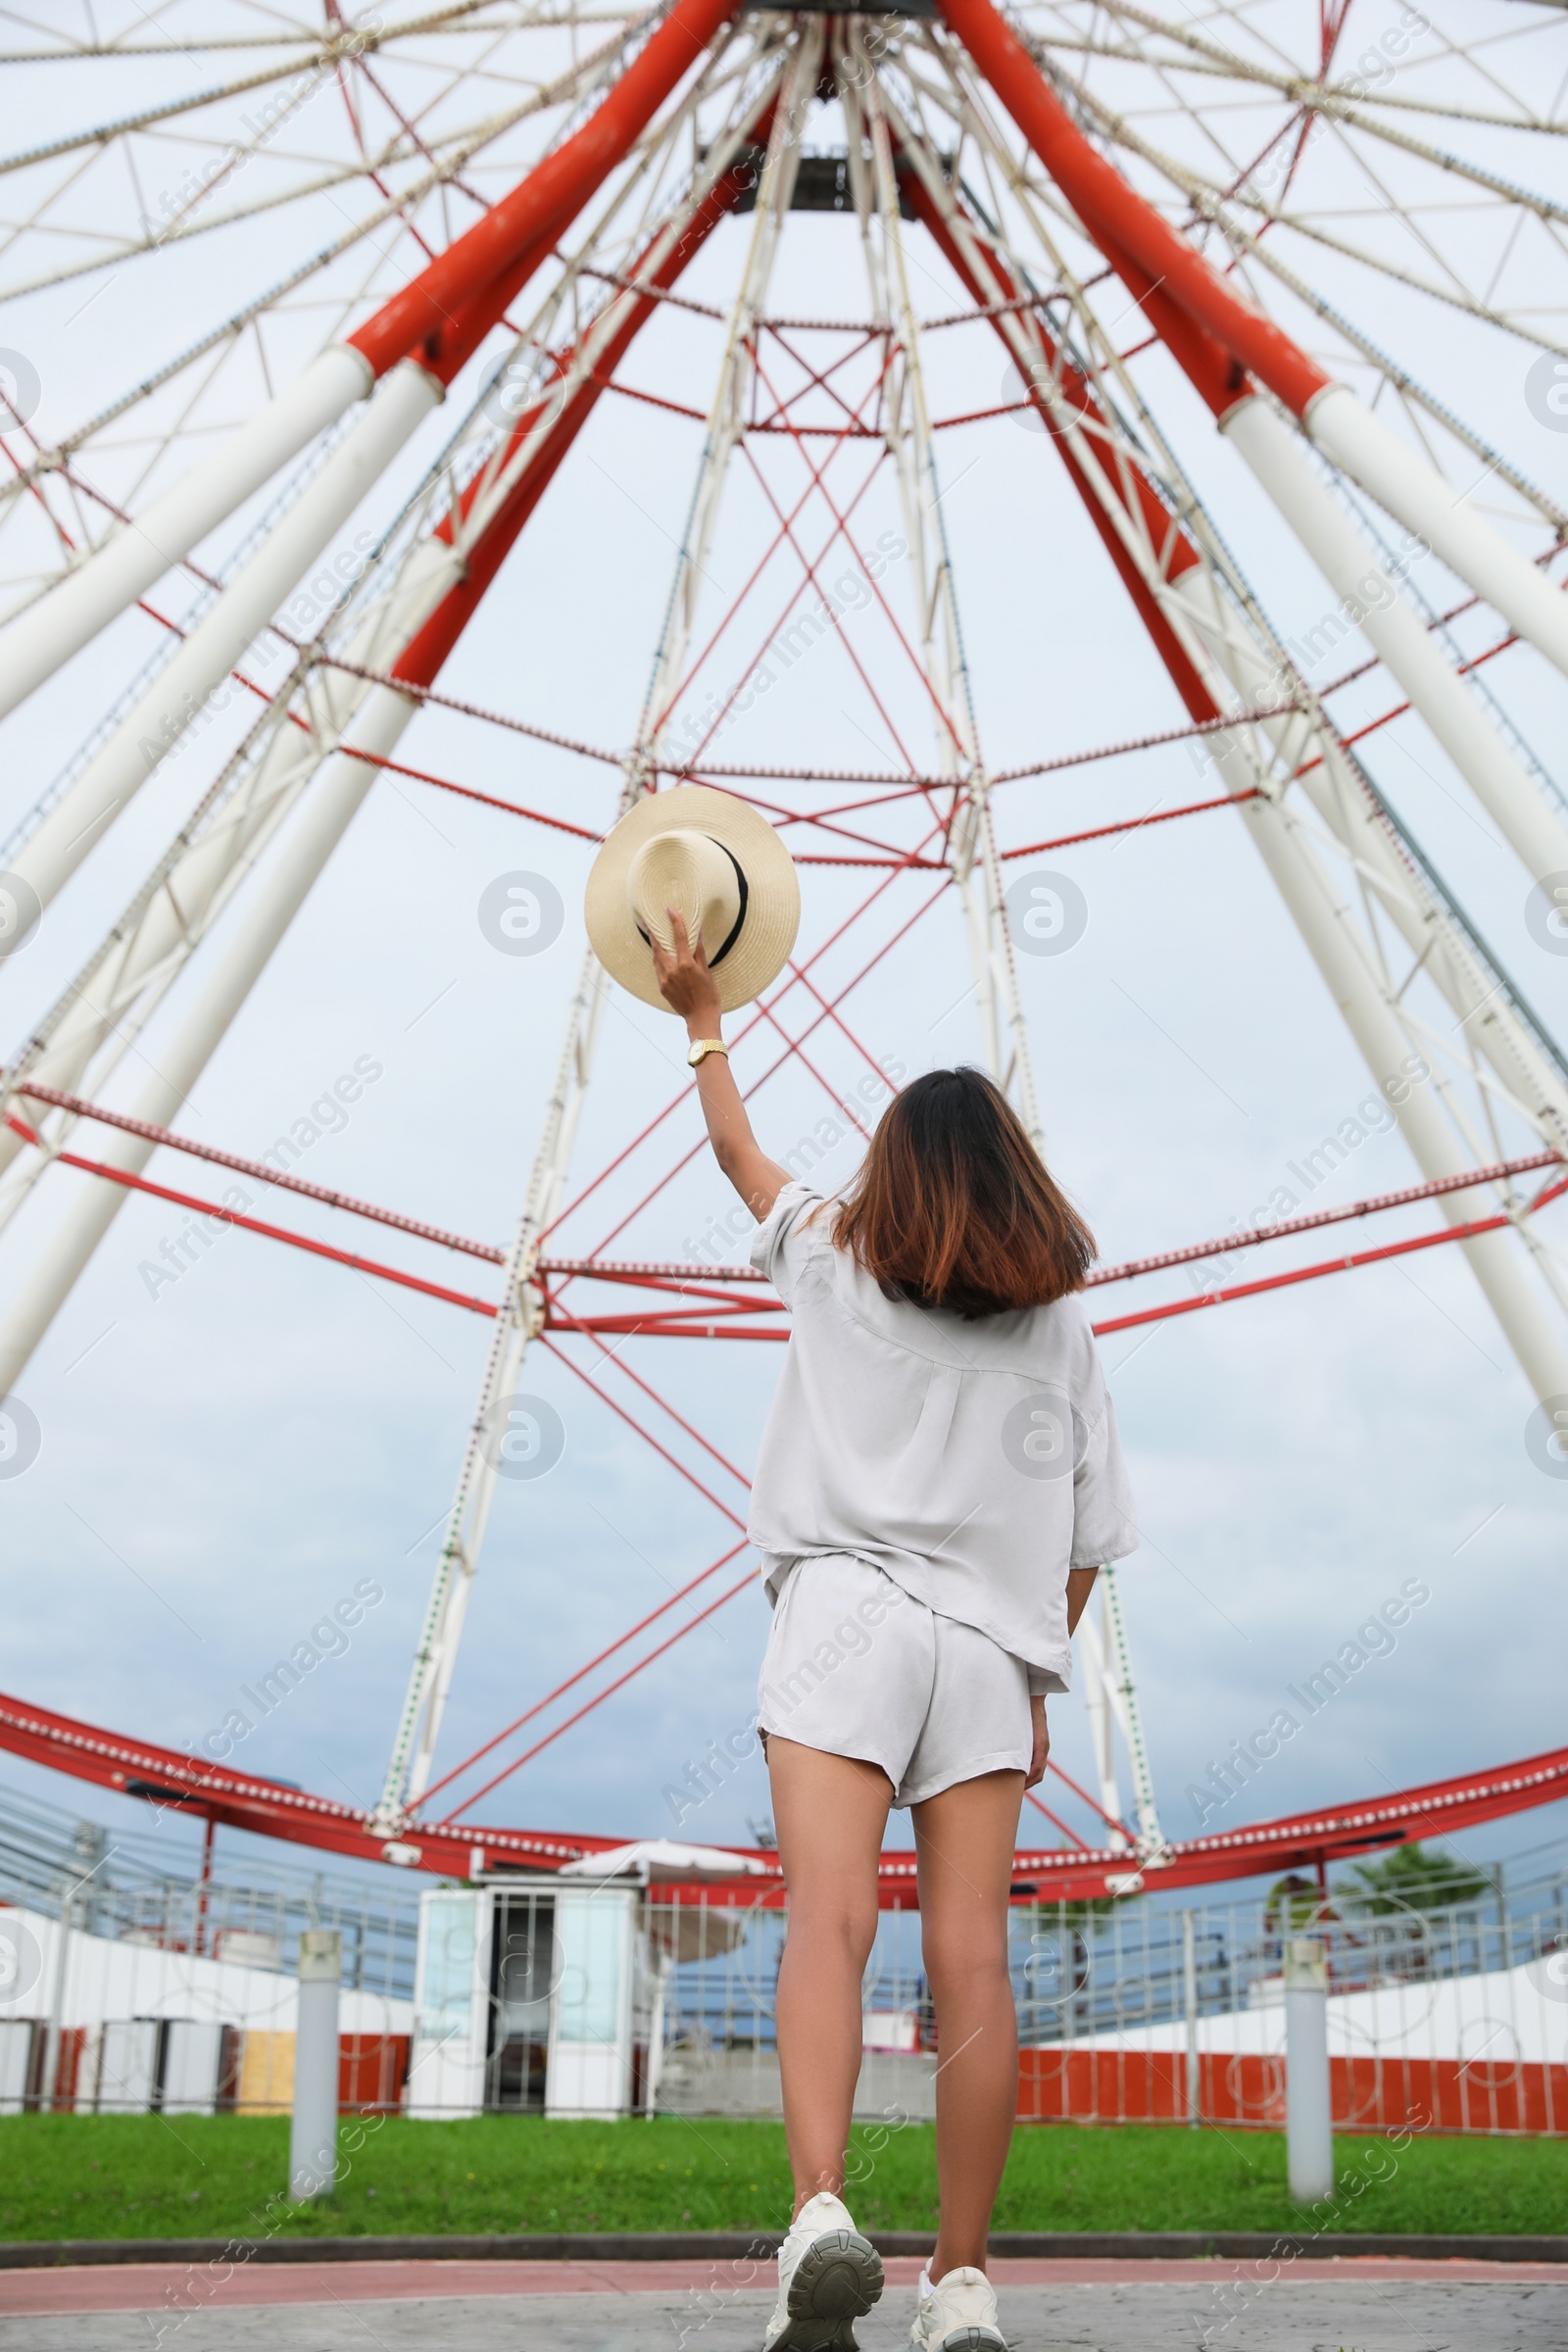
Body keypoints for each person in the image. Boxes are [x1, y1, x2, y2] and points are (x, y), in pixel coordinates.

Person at [653, 913, 1136, 2352]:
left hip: (844, 1616)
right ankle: (967, 2283)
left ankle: (817, 2213)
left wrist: (703, 1017)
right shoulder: (1061, 1331)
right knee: (973, 1962)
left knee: (834, 1918)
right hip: (990, 1648)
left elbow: (742, 1158)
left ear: (895, 1166)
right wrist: (1037, 1674)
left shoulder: (830, 1256)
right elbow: (1091, 1542)